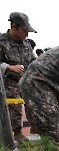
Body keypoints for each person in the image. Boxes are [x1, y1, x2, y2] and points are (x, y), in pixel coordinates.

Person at [0, 12, 37, 142]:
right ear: (14, 26)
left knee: (36, 99)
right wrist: (9, 67)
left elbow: (34, 61)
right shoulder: (1, 41)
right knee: (14, 103)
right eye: (25, 30)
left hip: (25, 81)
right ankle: (16, 132)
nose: (26, 34)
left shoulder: (26, 44)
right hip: (8, 82)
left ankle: (35, 126)